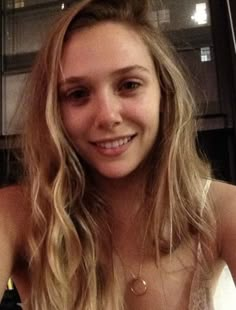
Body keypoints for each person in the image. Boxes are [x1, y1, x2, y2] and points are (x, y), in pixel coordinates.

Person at [0, 0, 236, 309]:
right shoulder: (17, 215)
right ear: (54, 112)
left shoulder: (223, 210)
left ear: (164, 95)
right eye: (78, 94)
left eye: (129, 85)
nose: (107, 116)